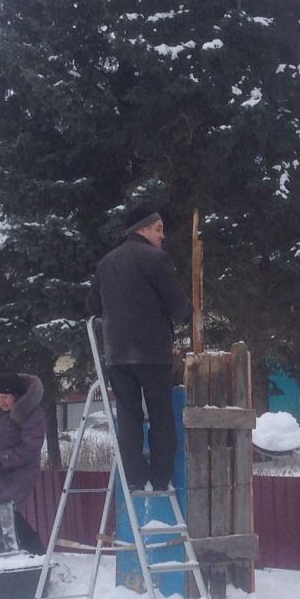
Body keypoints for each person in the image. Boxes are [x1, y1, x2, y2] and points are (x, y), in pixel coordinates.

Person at [85, 205, 191, 493]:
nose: (162, 236)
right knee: (160, 414)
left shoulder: (106, 263)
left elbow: (92, 306)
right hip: (152, 352)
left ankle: (134, 477)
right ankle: (159, 480)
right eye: (158, 229)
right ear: (142, 230)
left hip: (117, 354)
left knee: (128, 416)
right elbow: (179, 306)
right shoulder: (156, 259)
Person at [0, 373, 47, 554]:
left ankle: (36, 552)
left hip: (21, 471)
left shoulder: (31, 413)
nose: (1, 402)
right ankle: (9, 552)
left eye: (5, 397)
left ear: (16, 394)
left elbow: (30, 449)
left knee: (6, 510)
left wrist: (0, 461)